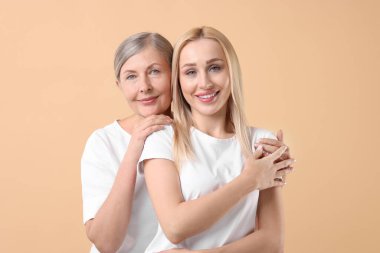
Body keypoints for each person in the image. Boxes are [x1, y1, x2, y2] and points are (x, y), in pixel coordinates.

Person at [139, 26, 295, 253]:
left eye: (214, 68)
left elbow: (272, 243)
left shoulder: (260, 142)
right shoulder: (162, 140)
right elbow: (175, 226)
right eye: (190, 72)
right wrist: (249, 180)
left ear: (231, 72)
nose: (205, 83)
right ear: (179, 82)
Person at [81, 32, 173, 253]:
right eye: (131, 76)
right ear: (119, 84)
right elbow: (106, 243)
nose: (144, 86)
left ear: (174, 75)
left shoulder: (198, 134)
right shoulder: (103, 142)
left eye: (155, 71)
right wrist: (134, 149)